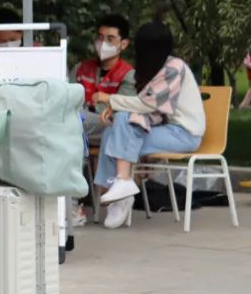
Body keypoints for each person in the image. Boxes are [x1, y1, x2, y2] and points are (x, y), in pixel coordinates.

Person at [94, 22, 205, 229]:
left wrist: (111, 100)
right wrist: (117, 109)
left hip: (184, 134)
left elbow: (147, 104)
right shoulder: (157, 67)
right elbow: (148, 107)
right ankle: (119, 189)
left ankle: (122, 185)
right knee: (112, 132)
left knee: (120, 129)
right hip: (164, 128)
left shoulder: (174, 67)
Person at [73, 14, 136, 146]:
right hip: (81, 123)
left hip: (108, 126)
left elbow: (121, 113)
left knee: (73, 120)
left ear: (123, 44)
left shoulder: (128, 75)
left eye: (110, 39)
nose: (103, 43)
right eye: (100, 38)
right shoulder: (80, 68)